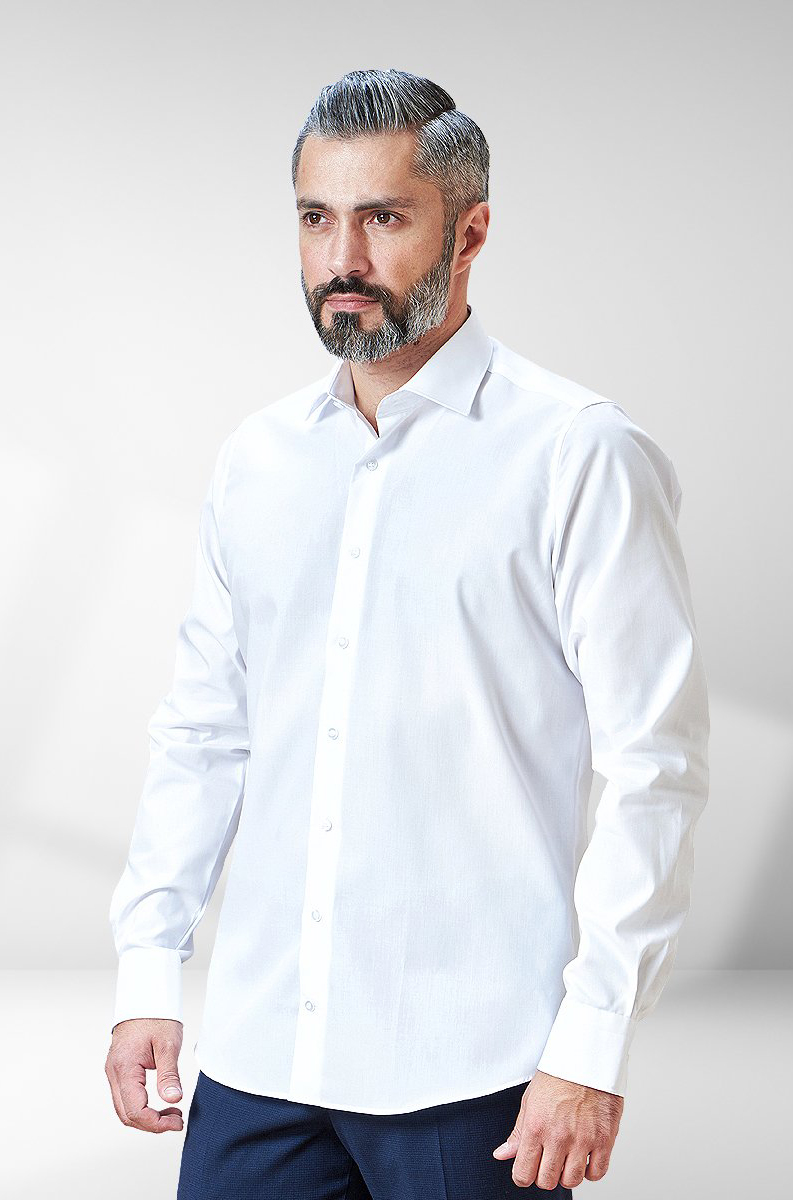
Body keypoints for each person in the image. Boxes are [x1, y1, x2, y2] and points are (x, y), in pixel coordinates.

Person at [105, 68, 710, 1198]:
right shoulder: (256, 461)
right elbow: (204, 734)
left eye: (383, 217)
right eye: (315, 217)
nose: (342, 257)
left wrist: (590, 1048)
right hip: (260, 1057)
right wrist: (149, 968)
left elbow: (653, 768)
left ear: (468, 232)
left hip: (474, 1070)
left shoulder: (577, 455)